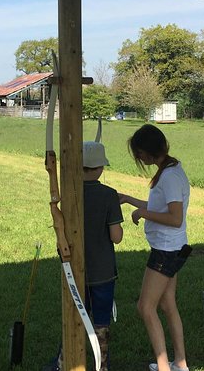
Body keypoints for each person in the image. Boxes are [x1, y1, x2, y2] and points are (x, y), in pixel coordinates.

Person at [45, 141, 124, 371]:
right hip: (103, 272)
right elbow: (116, 236)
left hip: (75, 268)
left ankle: (62, 362)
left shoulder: (69, 193)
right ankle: (103, 365)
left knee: (75, 315)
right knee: (100, 321)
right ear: (100, 168)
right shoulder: (109, 195)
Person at [119, 124, 190, 371]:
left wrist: (142, 212)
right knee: (167, 304)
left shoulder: (169, 177)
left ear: (148, 152)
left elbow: (174, 218)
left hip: (166, 251)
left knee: (145, 307)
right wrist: (129, 199)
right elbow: (160, 207)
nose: (139, 158)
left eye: (139, 153)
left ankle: (164, 367)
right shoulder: (170, 169)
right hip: (174, 248)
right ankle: (180, 363)